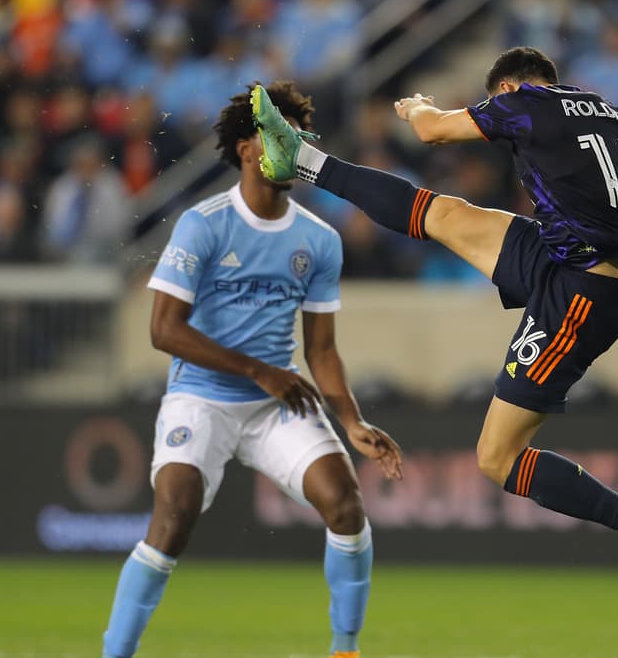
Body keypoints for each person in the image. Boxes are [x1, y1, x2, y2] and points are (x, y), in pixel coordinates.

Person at [250, 47, 618, 602]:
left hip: (583, 294)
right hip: (567, 257)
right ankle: (302, 159)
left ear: (507, 88)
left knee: (496, 457)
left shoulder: (523, 104)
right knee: (445, 214)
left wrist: (417, 107)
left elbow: (433, 132)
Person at [101, 84, 402, 658]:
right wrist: (259, 371)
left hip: (275, 405)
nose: (292, 145)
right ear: (245, 147)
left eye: (299, 137)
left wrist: (351, 421)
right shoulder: (204, 224)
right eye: (278, 135)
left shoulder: (319, 239)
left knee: (345, 504)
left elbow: (322, 351)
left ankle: (344, 650)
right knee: (173, 516)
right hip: (203, 395)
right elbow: (163, 330)